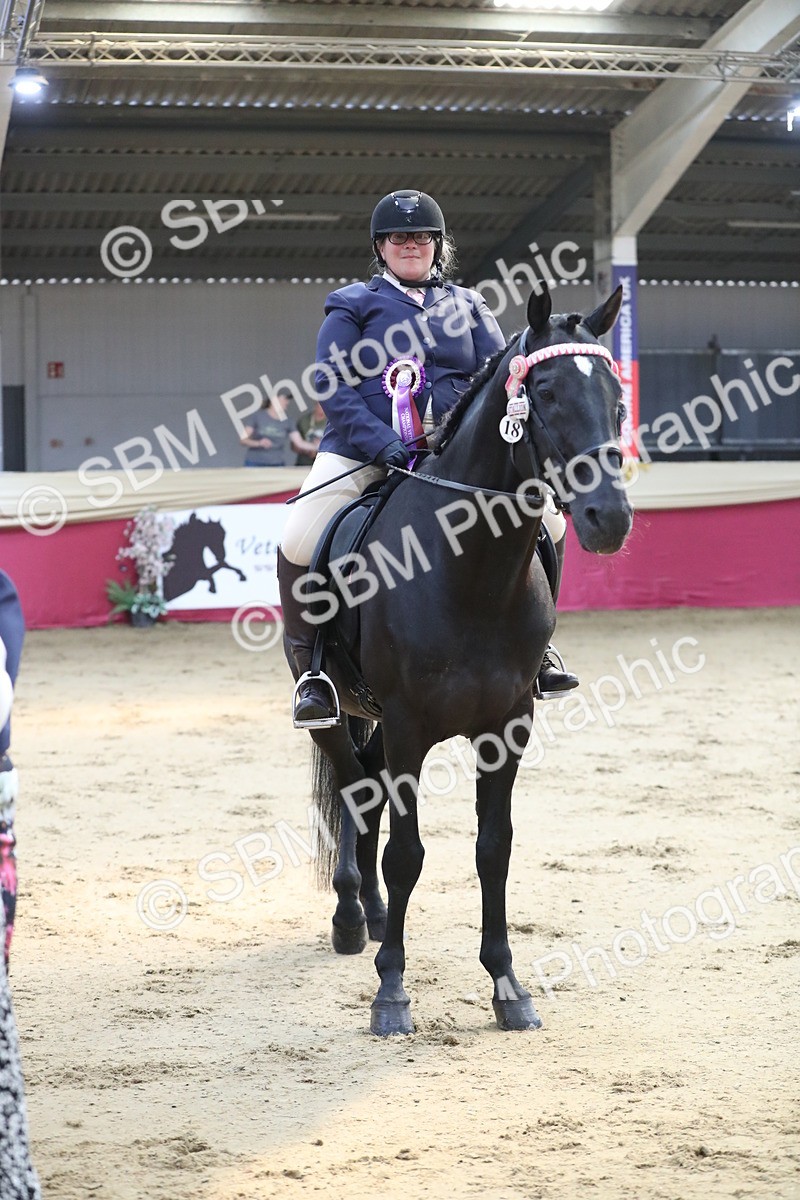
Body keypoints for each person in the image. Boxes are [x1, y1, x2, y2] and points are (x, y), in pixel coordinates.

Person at [277, 189, 577, 726]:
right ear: (382, 246)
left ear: (438, 245)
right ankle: (313, 671)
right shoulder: (352, 304)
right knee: (299, 532)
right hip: (366, 450)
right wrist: (380, 442)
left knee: (549, 521)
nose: (410, 245)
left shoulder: (469, 305)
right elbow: (331, 382)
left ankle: (539, 650)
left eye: (421, 237)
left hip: (459, 455)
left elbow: (502, 373)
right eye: (399, 237)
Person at [240, 388, 292, 467]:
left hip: (277, 463)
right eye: (285, 399)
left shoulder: (288, 421)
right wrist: (259, 443)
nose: (287, 402)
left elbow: (299, 442)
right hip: (255, 462)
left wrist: (316, 447)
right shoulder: (257, 416)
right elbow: (243, 439)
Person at [290, 401, 326, 466]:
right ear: (316, 405)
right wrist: (307, 450)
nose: (323, 408)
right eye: (320, 405)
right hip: (304, 463)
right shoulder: (304, 421)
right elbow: (294, 446)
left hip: (324, 464)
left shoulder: (333, 422)